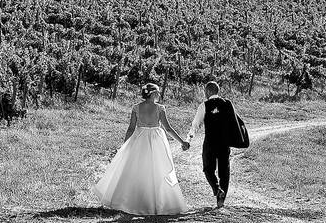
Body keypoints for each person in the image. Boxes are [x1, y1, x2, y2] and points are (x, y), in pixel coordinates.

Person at [93, 83, 191, 215]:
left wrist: (125, 146)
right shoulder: (160, 108)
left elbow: (131, 128)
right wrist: (182, 142)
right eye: (157, 92)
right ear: (153, 94)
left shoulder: (136, 108)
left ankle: (133, 201)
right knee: (156, 170)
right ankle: (155, 203)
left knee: (137, 169)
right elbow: (168, 129)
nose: (159, 95)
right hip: (156, 140)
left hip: (139, 140)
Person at [188, 81, 237, 208]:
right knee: (224, 171)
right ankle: (221, 199)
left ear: (208, 91)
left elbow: (195, 125)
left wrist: (189, 139)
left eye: (205, 91)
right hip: (224, 143)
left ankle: (216, 189)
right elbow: (234, 122)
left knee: (208, 169)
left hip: (210, 142)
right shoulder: (228, 104)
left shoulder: (204, 105)